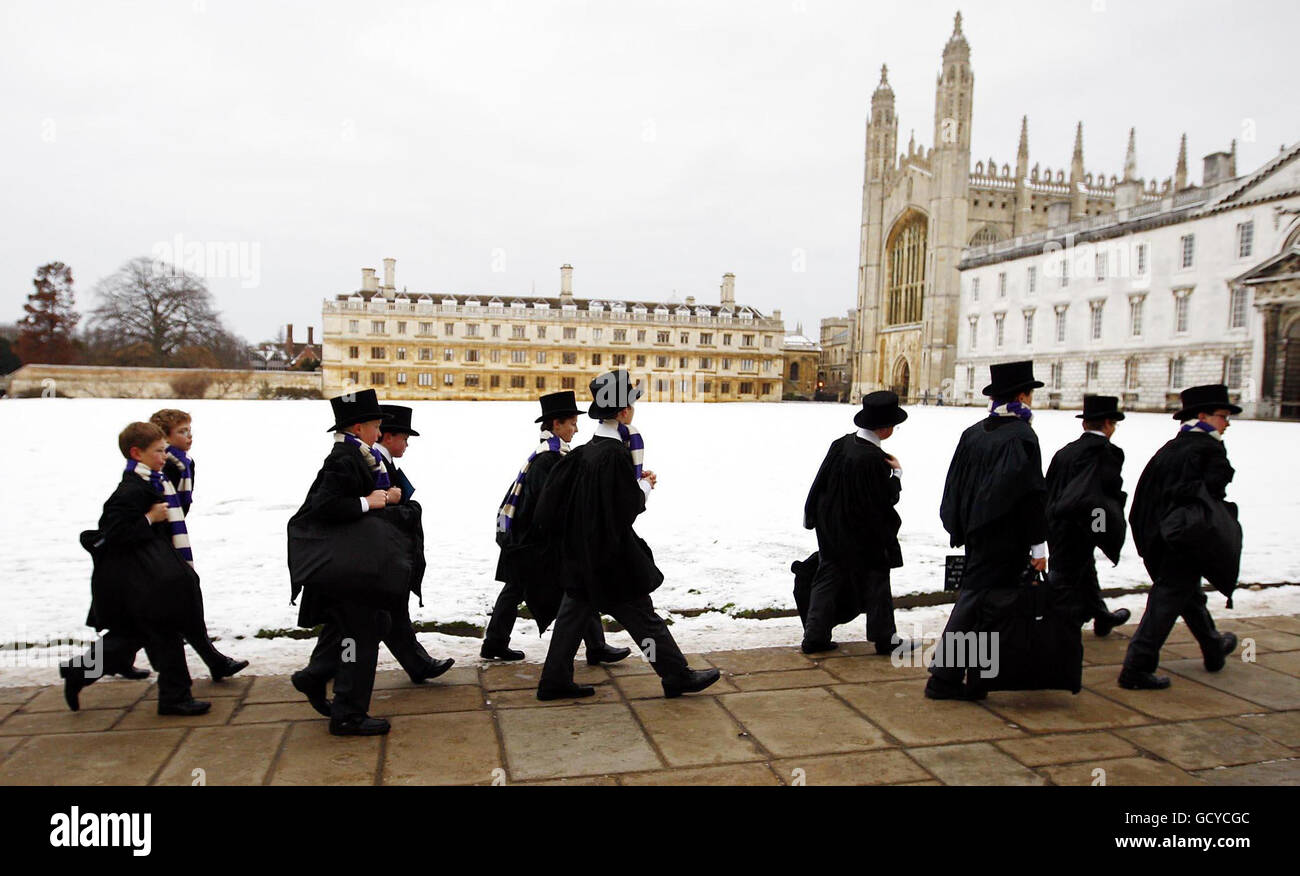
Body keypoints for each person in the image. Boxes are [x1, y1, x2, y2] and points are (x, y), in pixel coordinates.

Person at [533, 370, 719, 700]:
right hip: (609, 557)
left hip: (582, 554)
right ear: (623, 412)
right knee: (642, 619)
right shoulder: (613, 454)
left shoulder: (586, 451)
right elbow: (626, 507)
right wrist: (645, 486)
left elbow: (558, 505)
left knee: (572, 619)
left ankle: (554, 679)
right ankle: (674, 674)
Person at [61, 422, 210, 716]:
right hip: (140, 579)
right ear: (136, 453)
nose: (163, 457)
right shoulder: (130, 490)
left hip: (149, 576)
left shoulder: (151, 480)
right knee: (160, 632)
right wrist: (150, 518)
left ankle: (80, 672)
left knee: (135, 635)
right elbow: (113, 533)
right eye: (158, 451)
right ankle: (174, 698)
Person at [286, 389, 411, 736]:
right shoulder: (343, 459)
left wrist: (383, 498)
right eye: (374, 425)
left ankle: (315, 678)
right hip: (348, 568)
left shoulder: (360, 455)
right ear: (358, 427)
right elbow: (324, 506)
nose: (378, 432)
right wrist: (369, 502)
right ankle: (348, 714)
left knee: (361, 627)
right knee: (362, 634)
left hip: (352, 566)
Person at [928, 360, 1049, 700]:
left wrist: (960, 525)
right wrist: (1038, 545)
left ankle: (976, 679)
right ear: (1023, 396)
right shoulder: (1022, 436)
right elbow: (1030, 495)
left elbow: (955, 484)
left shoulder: (975, 432)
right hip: (1004, 539)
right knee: (975, 603)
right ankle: (944, 679)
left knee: (983, 605)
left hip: (977, 533)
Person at [485, 391, 631, 666]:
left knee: (535, 588)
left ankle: (496, 642)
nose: (576, 430)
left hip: (528, 539)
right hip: (532, 541)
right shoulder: (548, 459)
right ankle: (593, 647)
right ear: (556, 425)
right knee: (571, 587)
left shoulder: (549, 454)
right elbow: (549, 503)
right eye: (572, 424)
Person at [1120, 385, 1241, 691]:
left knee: (1187, 595)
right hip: (1182, 540)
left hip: (1158, 537)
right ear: (1202, 416)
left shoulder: (1172, 448)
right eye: (1222, 416)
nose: (1226, 423)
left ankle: (1213, 647)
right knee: (1167, 599)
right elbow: (1210, 495)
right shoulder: (1208, 449)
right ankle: (1136, 666)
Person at [800, 391, 922, 657]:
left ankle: (814, 637)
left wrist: (813, 517)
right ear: (885, 428)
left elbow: (820, 483)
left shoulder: (841, 444)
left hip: (831, 527)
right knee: (878, 578)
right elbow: (883, 500)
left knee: (828, 576)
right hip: (861, 532)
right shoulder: (873, 459)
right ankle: (885, 638)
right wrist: (896, 475)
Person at [142, 408, 248, 681]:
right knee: (145, 621)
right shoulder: (164, 465)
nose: (189, 436)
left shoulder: (182, 463)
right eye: (182, 431)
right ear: (164, 437)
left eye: (190, 430)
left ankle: (213, 662)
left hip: (168, 545)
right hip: (158, 548)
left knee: (176, 606)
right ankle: (84, 670)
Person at [372, 404, 455, 683]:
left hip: (387, 555)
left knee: (387, 612)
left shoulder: (384, 462)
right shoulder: (376, 463)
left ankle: (418, 664)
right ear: (388, 437)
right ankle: (321, 670)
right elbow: (380, 512)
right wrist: (411, 509)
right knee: (376, 614)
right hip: (381, 555)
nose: (407, 444)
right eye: (404, 438)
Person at [1044, 395, 1132, 637]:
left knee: (1083, 569)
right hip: (1083, 525)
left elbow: (1049, 488)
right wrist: (1100, 530)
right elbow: (1104, 497)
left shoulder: (1065, 452)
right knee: (1064, 578)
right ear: (1108, 424)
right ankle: (1049, 628)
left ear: (1084, 424)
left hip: (1057, 523)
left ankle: (1101, 616)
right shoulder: (1108, 453)